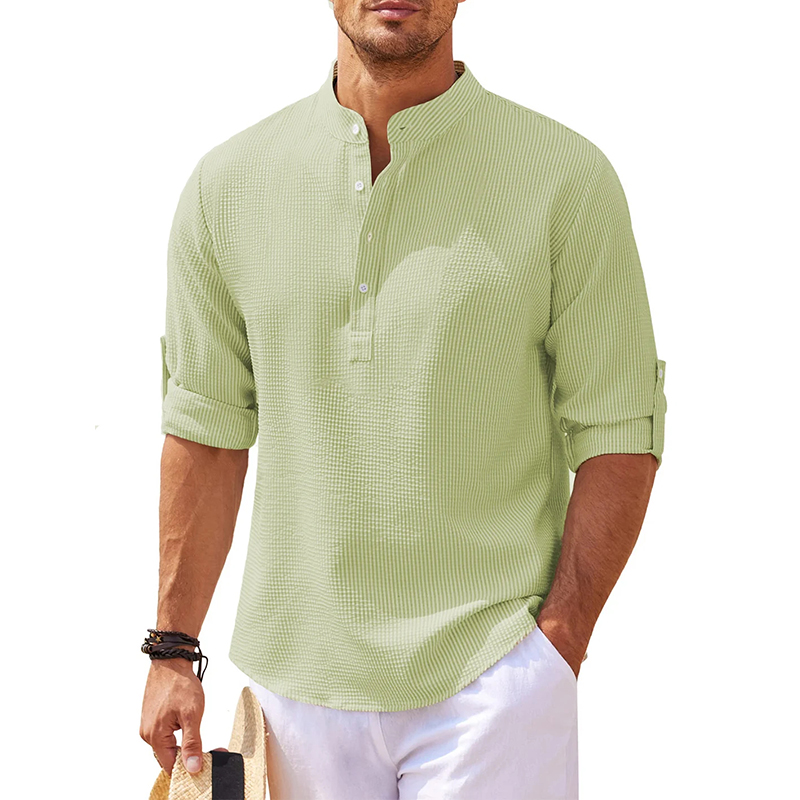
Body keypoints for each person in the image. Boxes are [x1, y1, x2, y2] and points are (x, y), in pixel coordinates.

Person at [140, 1, 668, 797]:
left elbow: (618, 426)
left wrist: (557, 645)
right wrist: (172, 650)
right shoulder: (229, 186)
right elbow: (207, 433)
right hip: (293, 691)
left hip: (492, 680)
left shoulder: (564, 177)